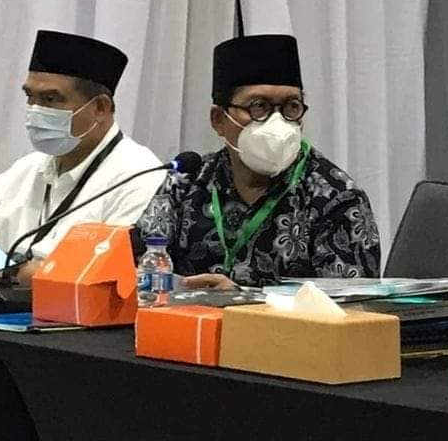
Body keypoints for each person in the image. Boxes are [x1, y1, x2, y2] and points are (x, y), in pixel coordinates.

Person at [0, 30, 164, 280]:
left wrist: (29, 273)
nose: (35, 110)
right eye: (30, 97)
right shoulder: (28, 170)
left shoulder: (139, 176)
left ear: (100, 108)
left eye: (50, 99)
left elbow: (104, 273)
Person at [136, 34, 380, 288]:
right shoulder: (186, 182)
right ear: (218, 119)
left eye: (291, 106)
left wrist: (243, 299)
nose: (278, 122)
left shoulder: (336, 197)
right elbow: (137, 266)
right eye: (259, 107)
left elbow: (352, 305)